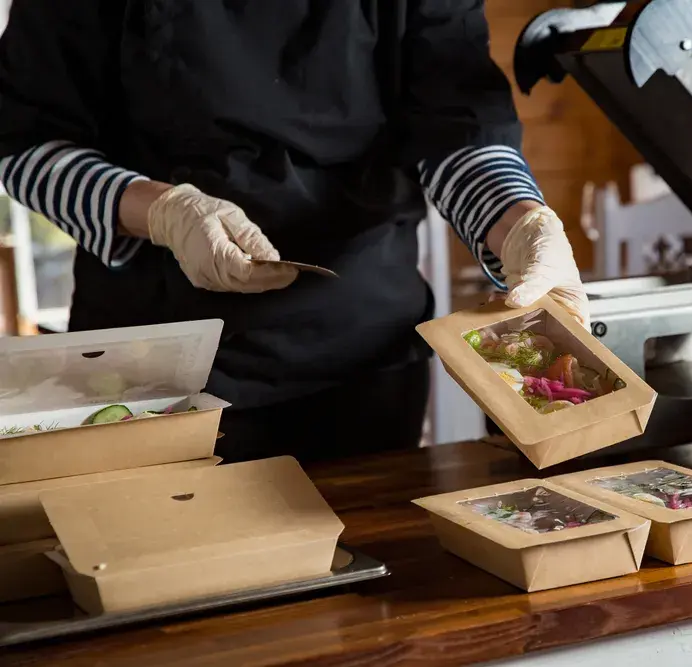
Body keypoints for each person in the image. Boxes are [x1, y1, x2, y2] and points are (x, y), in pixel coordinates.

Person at [0, 1, 589, 463]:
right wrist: (163, 211)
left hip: (358, 357)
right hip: (151, 361)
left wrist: (518, 222)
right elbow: (24, 146)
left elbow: (455, 126)